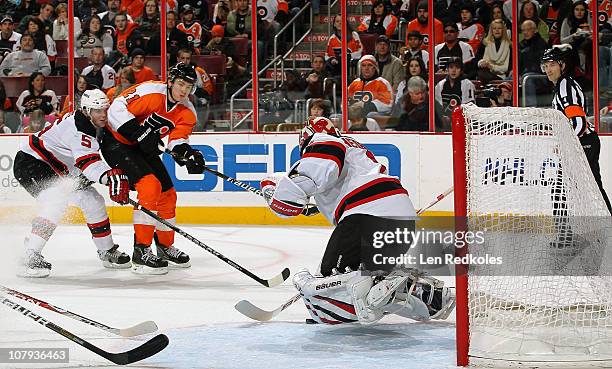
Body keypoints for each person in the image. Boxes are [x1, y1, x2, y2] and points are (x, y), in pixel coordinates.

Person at [260, 116, 455, 324]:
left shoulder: (325, 140)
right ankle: (426, 296)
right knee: (350, 282)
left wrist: (284, 192)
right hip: (400, 220)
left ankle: (386, 284)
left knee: (330, 289)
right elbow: (335, 184)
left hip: (367, 216)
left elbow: (316, 170)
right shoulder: (355, 152)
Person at [12, 89, 131, 278]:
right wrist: (110, 177)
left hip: (61, 168)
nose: (103, 115)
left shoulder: (88, 122)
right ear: (86, 110)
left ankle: (106, 250)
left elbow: (85, 162)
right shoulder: (80, 130)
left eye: (104, 110)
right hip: (33, 162)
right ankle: (29, 254)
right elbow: (89, 165)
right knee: (55, 202)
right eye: (97, 111)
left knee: (93, 200)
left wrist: (108, 176)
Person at [101, 63, 205, 275]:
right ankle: (141, 251)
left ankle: (164, 247)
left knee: (168, 194)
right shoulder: (150, 91)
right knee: (149, 186)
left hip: (141, 146)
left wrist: (188, 154)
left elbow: (177, 140)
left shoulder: (187, 111)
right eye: (180, 84)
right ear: (171, 81)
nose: (184, 90)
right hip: (116, 141)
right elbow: (116, 109)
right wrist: (139, 133)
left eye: (188, 86)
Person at [541, 45, 612, 214]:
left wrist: (567, 143)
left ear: (562, 65)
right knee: (571, 189)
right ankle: (566, 235)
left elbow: (578, 123)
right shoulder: (562, 85)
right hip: (583, 142)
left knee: (563, 189)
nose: (548, 69)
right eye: (546, 66)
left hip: (583, 142)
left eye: (552, 64)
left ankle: (565, 236)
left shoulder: (565, 84)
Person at [434, 57, 475, 123]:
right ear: (447, 69)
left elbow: (468, 107)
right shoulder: (440, 84)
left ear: (461, 70)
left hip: (461, 120)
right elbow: (437, 106)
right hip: (444, 120)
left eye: (457, 67)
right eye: (451, 67)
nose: (454, 70)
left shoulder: (467, 84)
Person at [476, 19, 511, 85]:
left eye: (499, 28)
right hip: (486, 73)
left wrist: (491, 66)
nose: (497, 30)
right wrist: (481, 63)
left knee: (482, 75)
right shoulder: (485, 43)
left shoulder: (509, 45)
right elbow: (477, 61)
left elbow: (506, 68)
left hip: (501, 77)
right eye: (494, 28)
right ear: (491, 30)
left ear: (503, 30)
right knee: (481, 73)